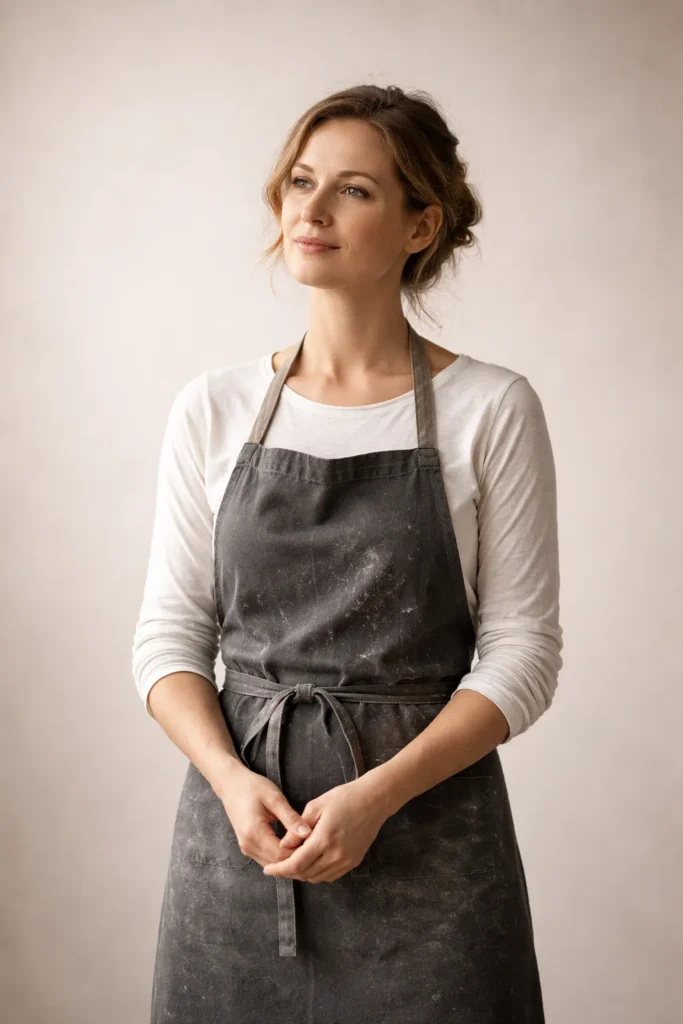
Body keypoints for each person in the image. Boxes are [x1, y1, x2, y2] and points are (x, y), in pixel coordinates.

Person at [132, 83, 563, 1023]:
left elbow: (523, 654)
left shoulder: (492, 408)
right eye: (299, 182)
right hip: (241, 844)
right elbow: (169, 637)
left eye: (354, 191)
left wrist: (376, 796)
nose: (310, 212)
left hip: (432, 849)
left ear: (421, 225)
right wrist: (231, 781)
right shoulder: (211, 407)